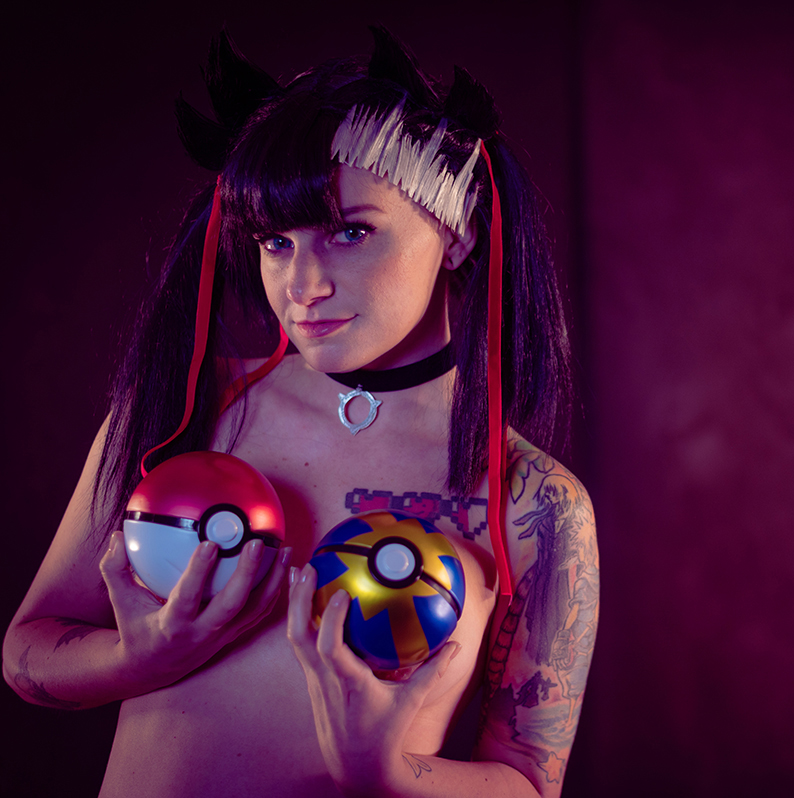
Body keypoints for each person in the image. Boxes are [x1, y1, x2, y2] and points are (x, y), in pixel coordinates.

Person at [2, 26, 597, 798]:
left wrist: (390, 774)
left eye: (350, 232)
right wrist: (134, 659)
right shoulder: (183, 411)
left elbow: (528, 782)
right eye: (275, 241)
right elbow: (26, 649)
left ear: (458, 234)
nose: (303, 285)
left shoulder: (535, 504)